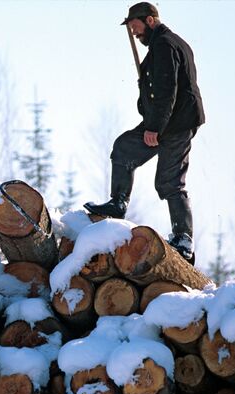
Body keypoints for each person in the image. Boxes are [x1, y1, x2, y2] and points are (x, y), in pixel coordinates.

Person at [85, 2, 205, 262]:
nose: (133, 32)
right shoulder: (166, 44)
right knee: (124, 149)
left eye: (136, 26)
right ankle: (118, 202)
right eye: (130, 28)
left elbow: (166, 89)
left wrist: (154, 128)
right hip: (164, 121)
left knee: (169, 181)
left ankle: (184, 240)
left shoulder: (165, 45)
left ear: (150, 20)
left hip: (174, 124)